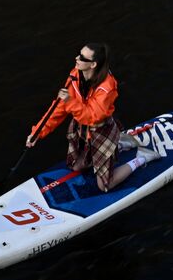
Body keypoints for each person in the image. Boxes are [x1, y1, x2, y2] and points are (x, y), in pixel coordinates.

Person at [25, 43, 161, 193]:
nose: (76, 58)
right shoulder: (74, 75)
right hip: (82, 129)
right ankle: (119, 144)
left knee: (105, 186)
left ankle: (141, 157)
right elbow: (59, 108)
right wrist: (38, 132)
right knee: (76, 166)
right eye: (79, 53)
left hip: (101, 130)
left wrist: (69, 101)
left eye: (82, 57)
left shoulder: (107, 87)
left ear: (93, 64)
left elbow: (93, 117)